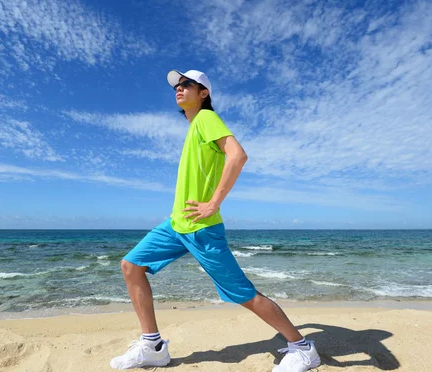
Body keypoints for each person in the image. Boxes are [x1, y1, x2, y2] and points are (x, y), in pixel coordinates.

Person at [110, 70, 321, 371]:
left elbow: (238, 155)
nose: (179, 89)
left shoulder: (207, 120)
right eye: (177, 86)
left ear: (204, 93)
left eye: (186, 85)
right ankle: (153, 345)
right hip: (176, 224)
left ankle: (302, 348)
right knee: (131, 266)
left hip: (202, 228)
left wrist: (213, 203)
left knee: (243, 295)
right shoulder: (194, 126)